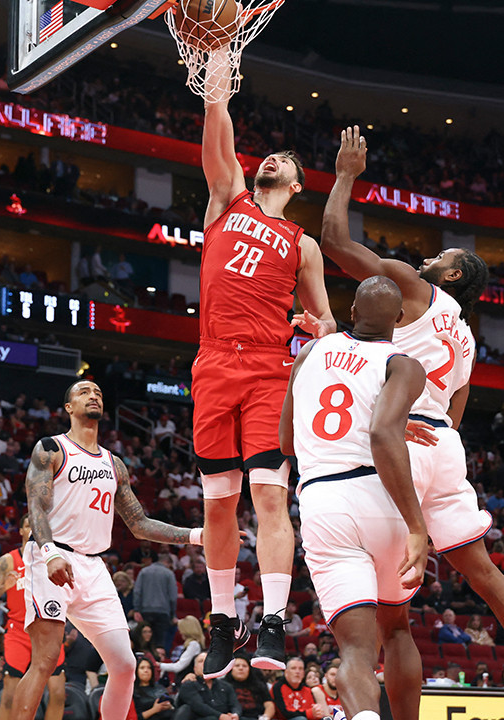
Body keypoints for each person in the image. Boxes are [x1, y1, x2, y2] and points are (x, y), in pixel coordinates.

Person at [321, 127, 504, 720]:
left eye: (440, 258)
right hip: (442, 444)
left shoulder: (413, 290)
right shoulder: (465, 338)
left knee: (393, 624)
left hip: (405, 441)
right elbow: (456, 417)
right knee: (484, 572)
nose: (426, 259)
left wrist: (346, 175)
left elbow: (334, 239)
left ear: (455, 275)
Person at [194, 64, 337, 679]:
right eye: (269, 154)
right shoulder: (227, 198)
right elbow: (215, 134)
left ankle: (274, 621)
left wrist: (315, 326)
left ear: (297, 185)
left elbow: (327, 319)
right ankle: (223, 622)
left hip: (269, 372)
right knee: (218, 505)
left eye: (284, 158)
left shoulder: (303, 244)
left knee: (268, 496)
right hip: (212, 363)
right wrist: (218, 86)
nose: (272, 159)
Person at [6, 380, 204, 720]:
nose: (93, 395)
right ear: (68, 407)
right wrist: (50, 551)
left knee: (125, 664)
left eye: (98, 391)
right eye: (83, 392)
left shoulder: (115, 464)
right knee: (45, 660)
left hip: (94, 566)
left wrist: (198, 535)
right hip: (53, 555)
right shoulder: (51, 448)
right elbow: (35, 507)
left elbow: (139, 523)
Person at [279, 276, 430, 720]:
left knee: (355, 652)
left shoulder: (308, 353)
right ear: (399, 320)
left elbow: (287, 441)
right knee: (397, 630)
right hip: (380, 499)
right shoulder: (403, 364)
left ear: (350, 313)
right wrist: (418, 527)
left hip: (325, 500)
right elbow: (383, 433)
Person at [0, 514, 65, 720]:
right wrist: (2, 586)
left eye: (38, 526)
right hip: (18, 632)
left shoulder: (55, 559)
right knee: (9, 696)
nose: (34, 530)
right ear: (21, 531)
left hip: (48, 631)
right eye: (29, 525)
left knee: (59, 694)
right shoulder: (8, 561)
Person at [174, 653, 242, 720]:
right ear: (195, 668)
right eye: (201, 661)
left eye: (208, 660)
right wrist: (221, 716)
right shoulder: (188, 684)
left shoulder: (226, 685)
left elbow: (235, 704)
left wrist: (235, 715)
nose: (205, 663)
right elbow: (198, 706)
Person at [132, 556, 177, 651]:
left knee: (146, 640)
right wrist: (173, 614)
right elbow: (173, 596)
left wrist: (136, 609)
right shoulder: (169, 573)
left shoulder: (144, 571)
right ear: (167, 563)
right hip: (163, 612)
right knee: (160, 642)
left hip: (145, 610)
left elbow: (137, 592)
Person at [222, 655, 275, 720]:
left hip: (258, 717)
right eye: (237, 666)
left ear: (249, 669)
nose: (241, 668)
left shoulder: (258, 684)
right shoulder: (223, 685)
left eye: (244, 666)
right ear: (230, 669)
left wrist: (266, 717)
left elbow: (269, 704)